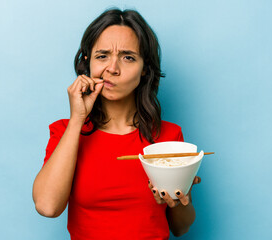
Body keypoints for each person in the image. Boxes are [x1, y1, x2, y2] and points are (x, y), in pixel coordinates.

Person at [32, 8, 201, 240]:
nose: (112, 68)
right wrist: (77, 120)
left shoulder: (169, 136)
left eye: (128, 57)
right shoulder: (64, 131)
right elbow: (47, 206)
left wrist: (183, 196)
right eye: (102, 56)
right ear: (87, 62)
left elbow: (181, 227)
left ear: (145, 69)